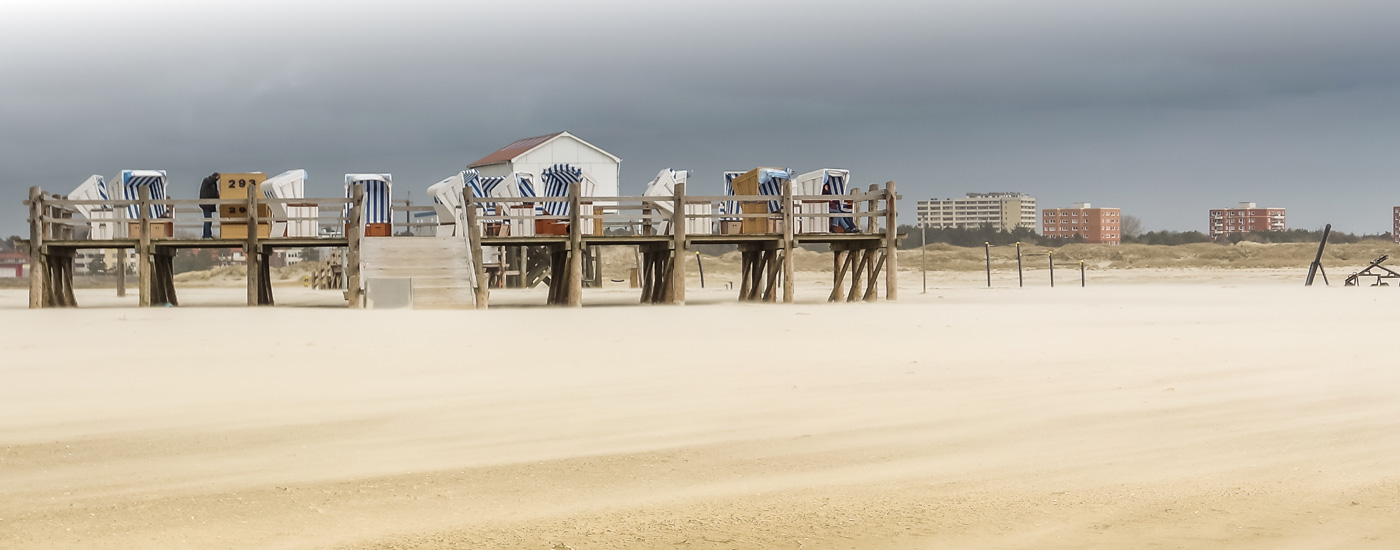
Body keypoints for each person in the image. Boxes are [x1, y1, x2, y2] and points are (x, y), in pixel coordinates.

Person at [200, 172, 220, 238]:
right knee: (208, 219)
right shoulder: (207, 180)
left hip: (209, 205)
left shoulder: (213, 184)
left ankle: (207, 235)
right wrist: (216, 177)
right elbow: (210, 180)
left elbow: (215, 194)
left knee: (208, 220)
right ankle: (207, 236)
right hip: (206, 204)